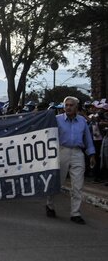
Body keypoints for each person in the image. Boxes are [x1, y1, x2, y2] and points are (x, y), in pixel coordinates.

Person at [46, 96, 96, 225]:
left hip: (78, 153)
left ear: (76, 107)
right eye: (66, 105)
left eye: (71, 105)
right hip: (61, 151)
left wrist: (91, 154)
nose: (68, 107)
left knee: (77, 185)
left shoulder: (82, 122)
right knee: (58, 182)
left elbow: (88, 139)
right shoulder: (56, 120)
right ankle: (50, 205)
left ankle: (75, 213)